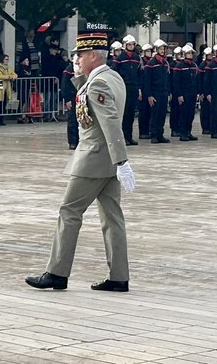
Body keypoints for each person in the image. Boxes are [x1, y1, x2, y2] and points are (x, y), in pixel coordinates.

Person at [26, 33, 135, 292]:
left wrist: (122, 160)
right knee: (112, 217)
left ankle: (57, 272)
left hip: (94, 158)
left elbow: (108, 122)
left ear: (94, 56)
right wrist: (118, 162)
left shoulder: (97, 84)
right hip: (107, 160)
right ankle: (119, 276)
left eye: (80, 55)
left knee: (69, 212)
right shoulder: (112, 77)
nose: (76, 59)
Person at [0, 53, 17, 126]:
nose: (7, 61)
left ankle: (1, 119)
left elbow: (15, 75)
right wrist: (8, 77)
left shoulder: (9, 67)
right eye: (6, 59)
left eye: (8, 59)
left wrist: (12, 76)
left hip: (6, 88)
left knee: (4, 104)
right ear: (2, 60)